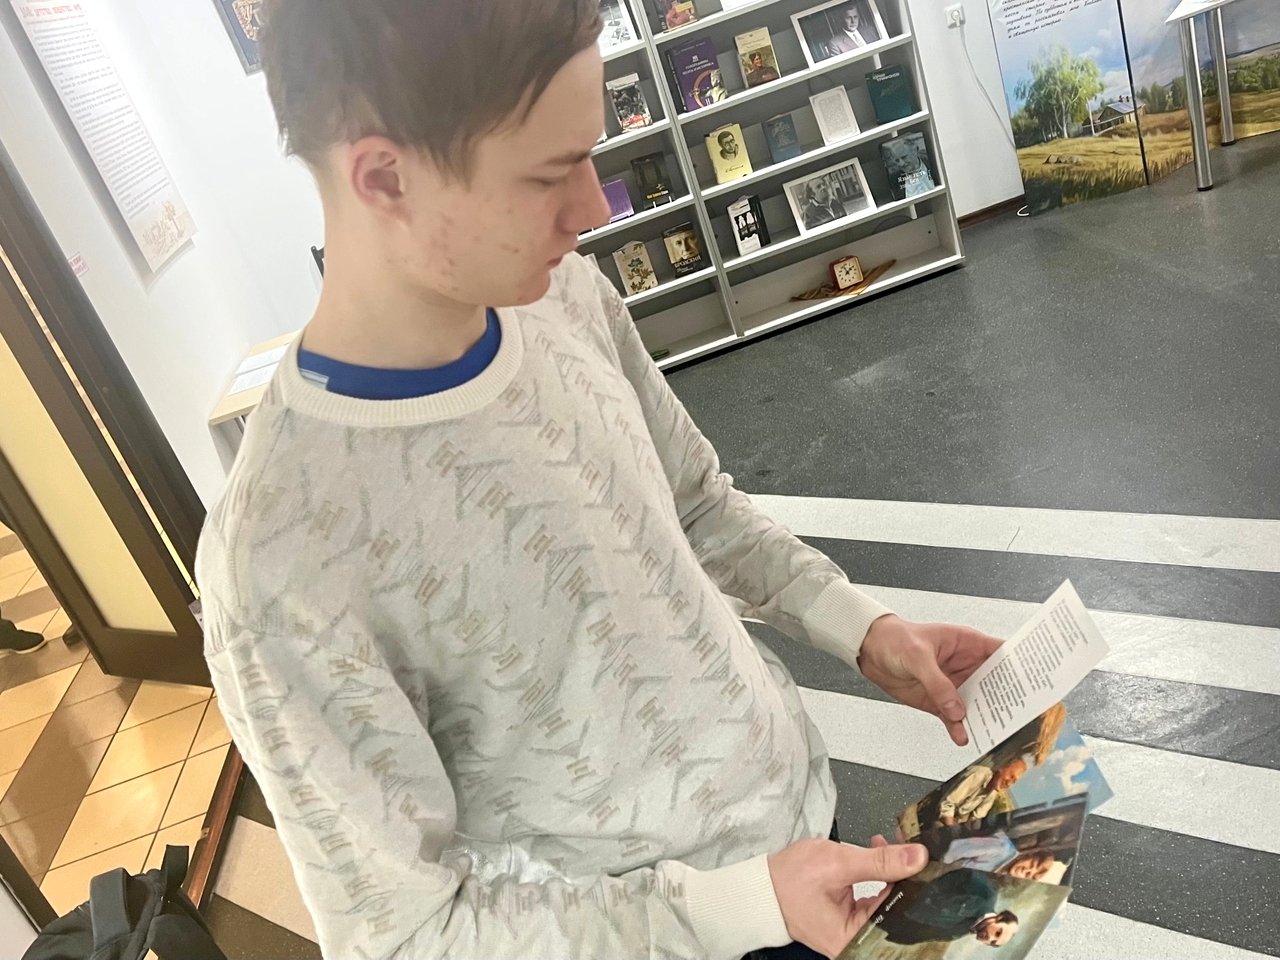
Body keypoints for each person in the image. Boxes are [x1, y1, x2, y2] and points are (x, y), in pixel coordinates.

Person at [197, 3, 1003, 959]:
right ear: (384, 177)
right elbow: (405, 932)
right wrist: (731, 910)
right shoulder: (279, 561)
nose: (594, 209)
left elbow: (696, 504)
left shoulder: (564, 293)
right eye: (548, 174)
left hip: (801, 829)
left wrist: (859, 628)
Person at [879, 870, 1021, 947]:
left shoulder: (960, 933)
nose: (990, 938)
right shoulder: (987, 894)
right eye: (998, 932)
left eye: (993, 942)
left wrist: (897, 935)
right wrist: (925, 893)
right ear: (1000, 917)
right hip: (904, 892)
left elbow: (927, 935)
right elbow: (963, 875)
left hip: (888, 918)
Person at [933, 758, 1028, 827]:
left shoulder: (992, 794)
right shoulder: (979, 775)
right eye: (1011, 776)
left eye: (1014, 781)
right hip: (934, 811)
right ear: (1002, 767)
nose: (1009, 783)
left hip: (952, 824)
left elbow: (975, 821)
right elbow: (947, 804)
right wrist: (952, 830)